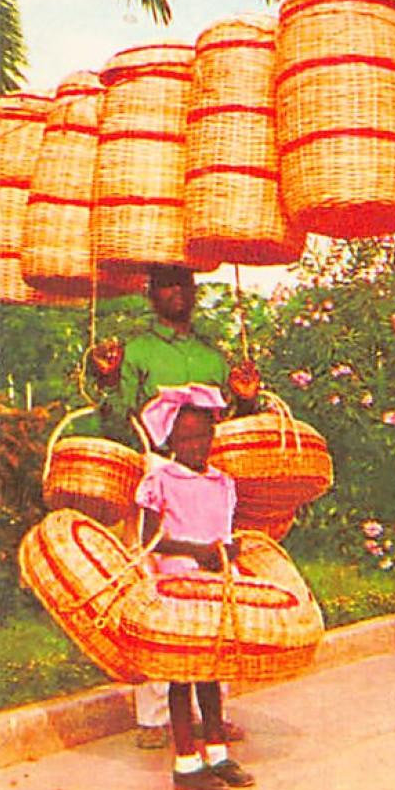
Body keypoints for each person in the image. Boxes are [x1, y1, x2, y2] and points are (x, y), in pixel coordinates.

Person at [89, 263, 260, 748]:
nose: (175, 294)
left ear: (193, 291)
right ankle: (154, 716)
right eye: (165, 286)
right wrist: (107, 379)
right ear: (151, 294)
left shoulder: (211, 352)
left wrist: (246, 400)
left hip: (206, 475)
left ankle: (215, 713)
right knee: (154, 582)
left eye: (182, 285)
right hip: (156, 469)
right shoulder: (138, 348)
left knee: (213, 581)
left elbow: (229, 419)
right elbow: (115, 415)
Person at [135, 385, 255, 790]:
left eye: (202, 437)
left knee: (211, 670)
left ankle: (217, 752)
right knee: (182, 674)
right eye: (185, 438)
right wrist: (196, 551)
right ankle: (186, 761)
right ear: (170, 440)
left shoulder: (223, 482)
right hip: (179, 585)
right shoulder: (160, 479)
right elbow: (150, 540)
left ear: (212, 439)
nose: (195, 445)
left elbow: (224, 529)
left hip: (215, 585)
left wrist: (228, 549)